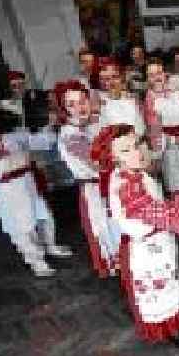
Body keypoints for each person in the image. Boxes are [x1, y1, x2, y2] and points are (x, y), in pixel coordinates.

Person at [92, 124, 179, 346]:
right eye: (126, 150)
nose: (136, 152)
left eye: (137, 145)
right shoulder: (126, 186)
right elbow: (162, 215)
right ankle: (170, 329)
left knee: (172, 280)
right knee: (160, 290)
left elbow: (162, 208)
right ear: (113, 158)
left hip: (159, 239)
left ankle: (178, 321)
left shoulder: (135, 174)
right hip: (147, 246)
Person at [0, 87, 72, 277]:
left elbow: (36, 141)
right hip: (5, 189)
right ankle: (36, 261)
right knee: (21, 226)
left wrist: (50, 125)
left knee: (43, 215)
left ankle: (51, 246)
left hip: (27, 182)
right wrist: (7, 166)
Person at [55, 80, 118, 277]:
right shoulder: (70, 135)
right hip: (96, 188)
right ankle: (117, 263)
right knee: (106, 227)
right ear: (64, 109)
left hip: (113, 180)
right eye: (71, 104)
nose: (80, 107)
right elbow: (99, 163)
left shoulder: (96, 121)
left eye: (82, 101)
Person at [143, 57, 179, 195]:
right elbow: (154, 134)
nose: (157, 77)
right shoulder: (150, 100)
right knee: (176, 189)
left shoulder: (178, 92)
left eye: (159, 73)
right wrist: (173, 140)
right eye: (151, 75)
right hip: (169, 150)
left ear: (164, 73)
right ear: (147, 78)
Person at [96, 57, 146, 137]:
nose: (112, 82)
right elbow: (101, 132)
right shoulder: (99, 103)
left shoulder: (133, 100)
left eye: (115, 77)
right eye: (107, 79)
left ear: (122, 78)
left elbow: (141, 129)